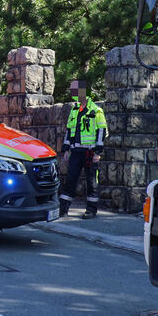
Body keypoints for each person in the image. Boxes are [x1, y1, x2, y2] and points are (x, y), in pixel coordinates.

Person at [59, 79, 108, 219]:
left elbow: (101, 131)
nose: (73, 93)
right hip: (76, 152)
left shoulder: (96, 111)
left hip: (90, 152)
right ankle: (63, 210)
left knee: (91, 182)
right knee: (70, 180)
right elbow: (69, 130)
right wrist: (66, 149)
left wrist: (98, 152)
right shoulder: (74, 110)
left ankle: (91, 210)